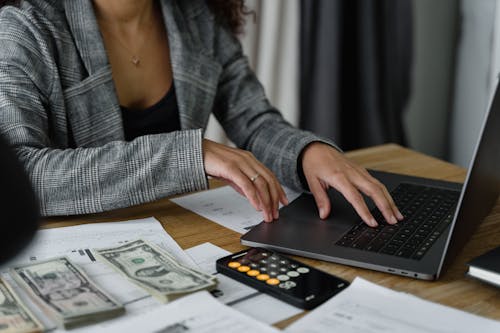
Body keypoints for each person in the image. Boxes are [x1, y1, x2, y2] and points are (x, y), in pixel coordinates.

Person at [0, 0, 403, 227]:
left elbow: (255, 121)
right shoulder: (26, 25)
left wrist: (307, 152)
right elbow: (22, 175)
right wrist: (190, 154)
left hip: (179, 235)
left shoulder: (197, 18)